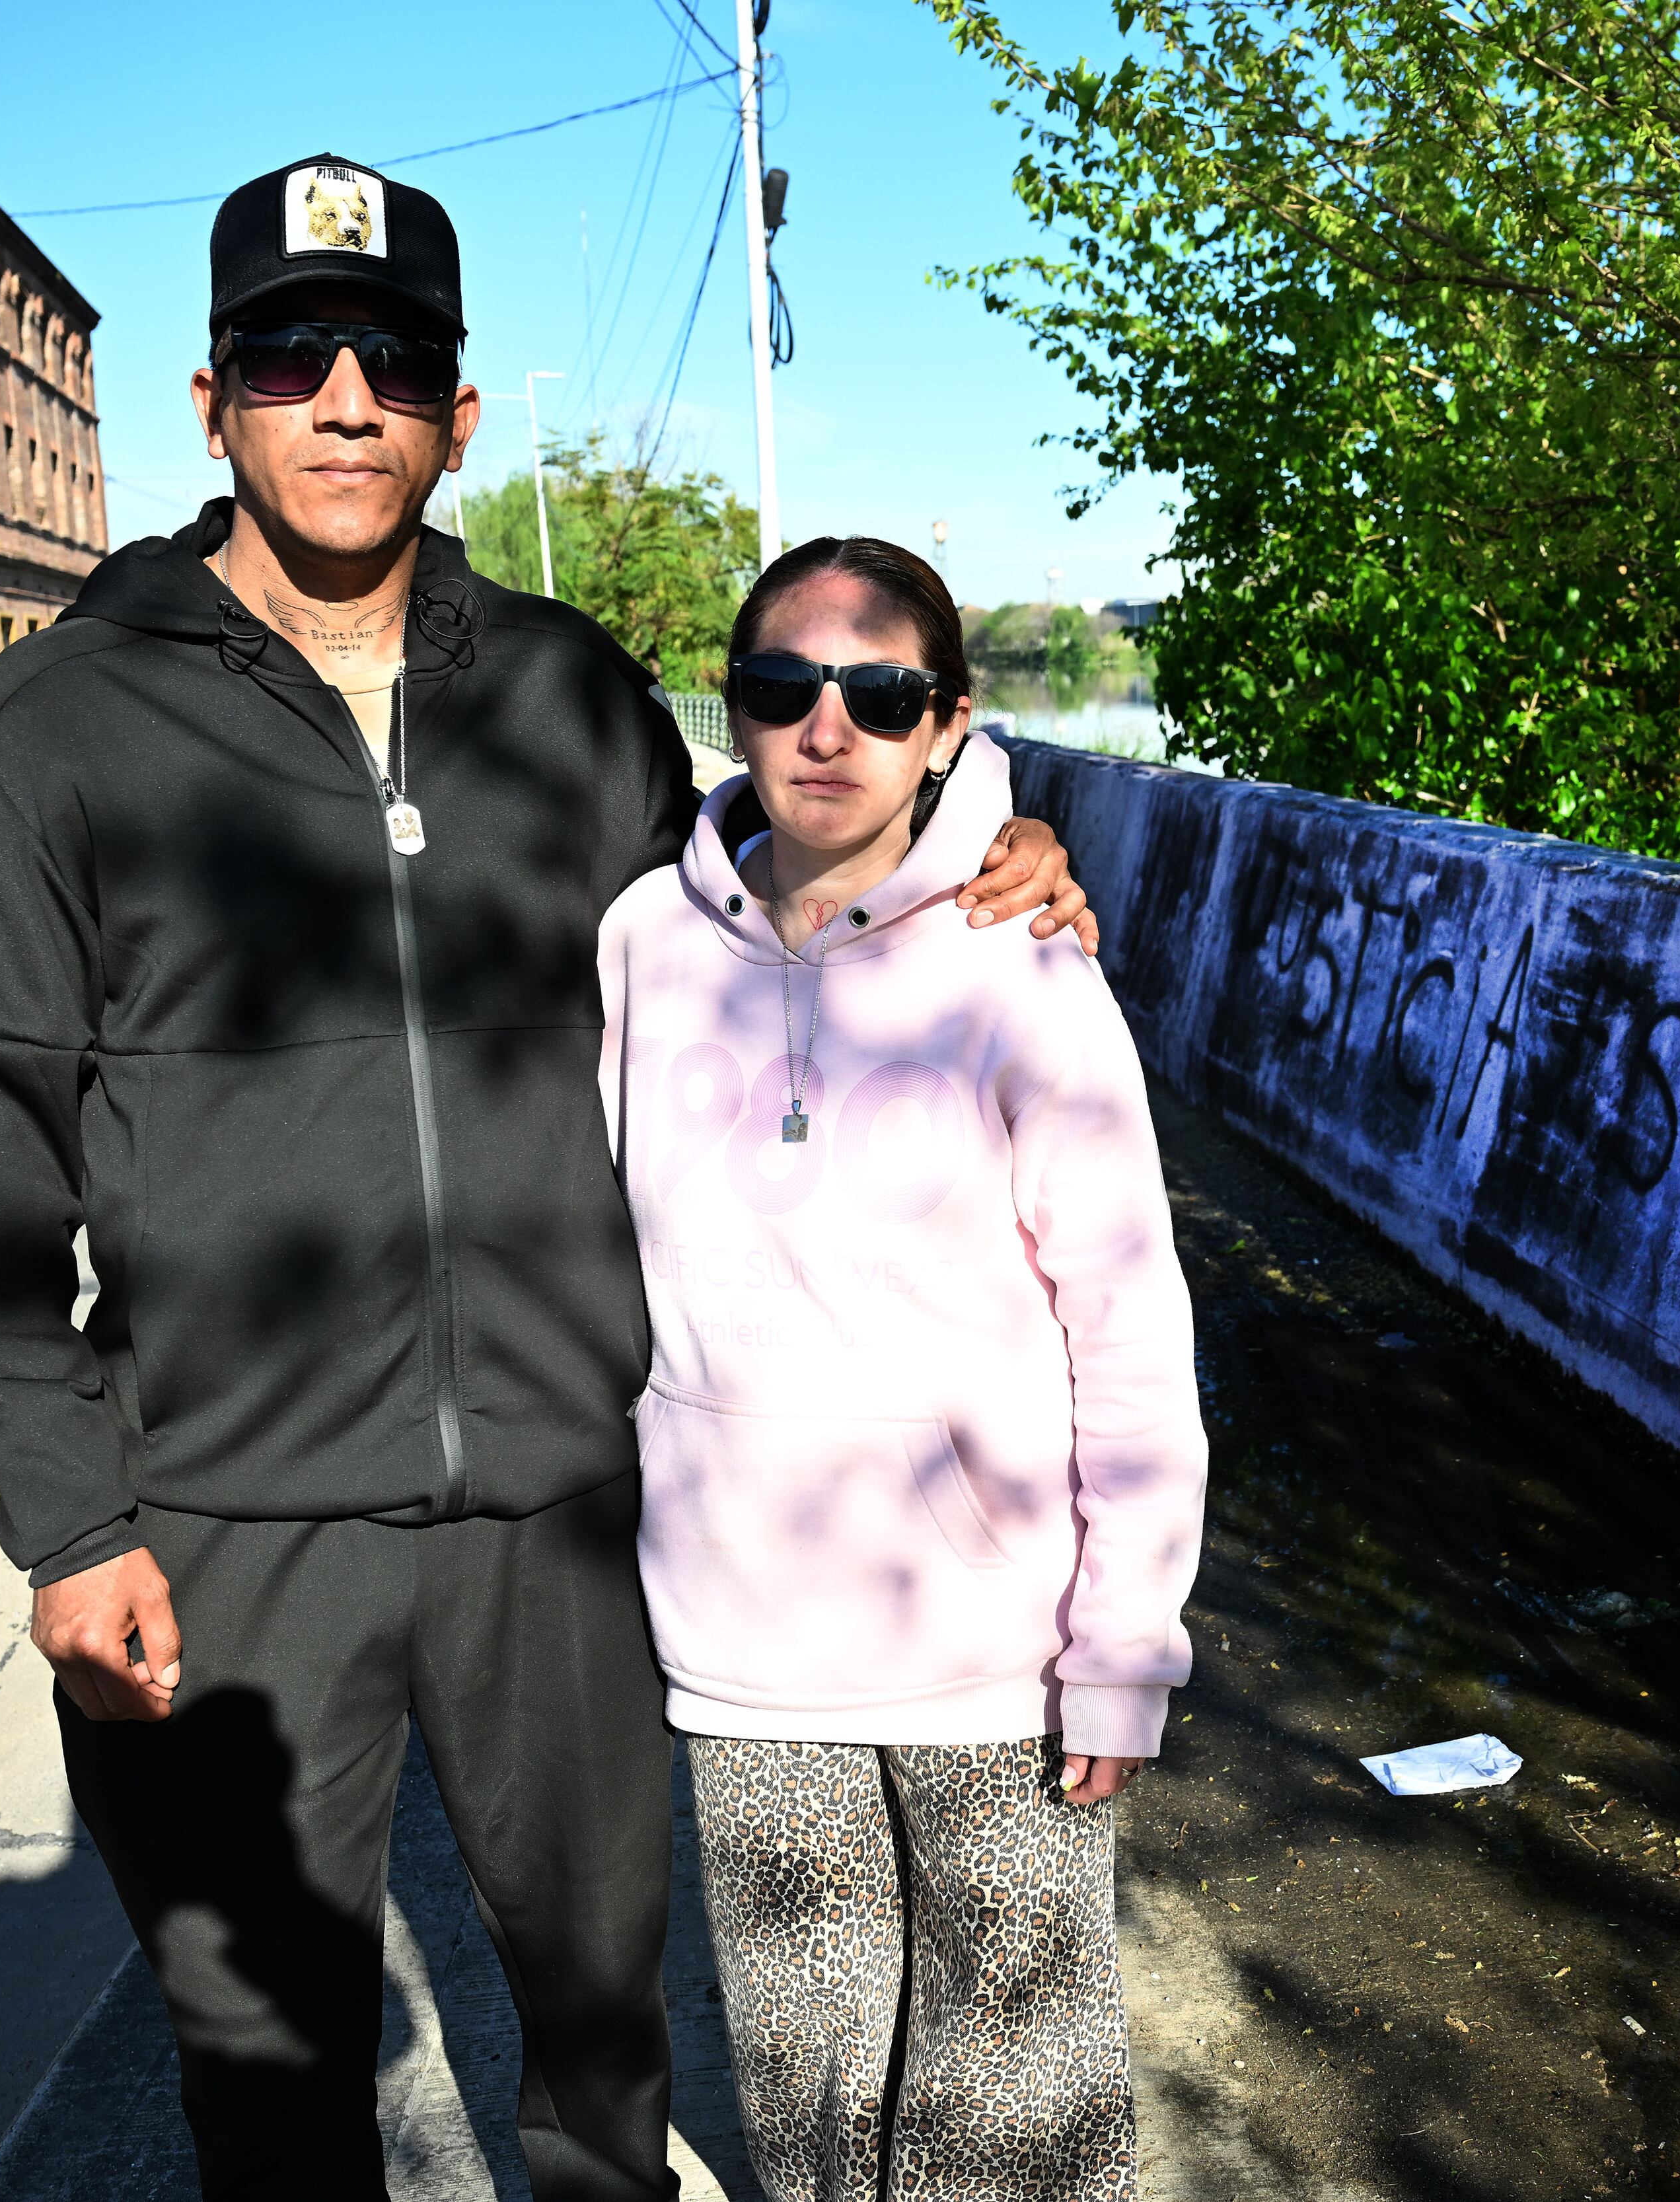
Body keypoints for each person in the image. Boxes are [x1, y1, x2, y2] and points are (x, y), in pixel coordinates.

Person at [0, 157, 1090, 2201]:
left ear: (458, 414)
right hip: (230, 1519)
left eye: (396, 359)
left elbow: (769, 876)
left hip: (565, 1496)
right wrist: (68, 1516)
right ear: (213, 400)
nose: (343, 394)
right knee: (268, 2066)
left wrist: (988, 831)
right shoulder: (59, 721)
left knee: (606, 2032)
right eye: (291, 351)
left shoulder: (562, 693)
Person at [594, 537, 1206, 2202]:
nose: (826, 729)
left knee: (1011, 2124)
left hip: (990, 1659)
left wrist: (1124, 1645)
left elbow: (1130, 1330)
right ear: (732, 712)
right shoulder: (645, 943)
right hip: (744, 1656)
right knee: (807, 2119)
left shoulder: (1023, 963)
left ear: (946, 722)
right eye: (783, 688)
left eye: (878, 693)